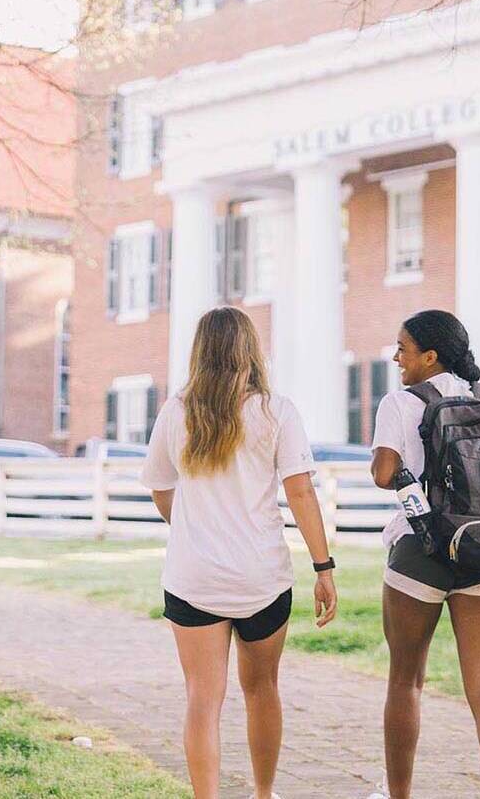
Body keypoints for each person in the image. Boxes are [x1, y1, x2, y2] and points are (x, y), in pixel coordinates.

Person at [140, 306, 338, 799]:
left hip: (194, 578)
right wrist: (323, 567)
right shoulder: (276, 411)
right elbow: (301, 493)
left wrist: (190, 526)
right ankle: (263, 793)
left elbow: (160, 488)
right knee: (263, 689)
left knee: (202, 699)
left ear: (201, 352)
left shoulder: (176, 411)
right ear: (250, 350)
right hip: (262, 579)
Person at [369, 310, 480, 799]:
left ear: (429, 357)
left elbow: (384, 472)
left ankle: (400, 796)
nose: (396, 358)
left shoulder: (401, 402)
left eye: (403, 349)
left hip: (422, 551)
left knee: (406, 681)